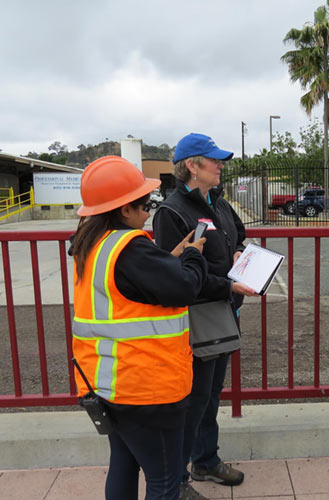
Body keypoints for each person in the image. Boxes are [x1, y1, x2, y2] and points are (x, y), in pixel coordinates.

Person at [71, 156, 208, 500]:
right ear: (123, 210)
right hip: (148, 387)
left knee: (124, 462)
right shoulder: (131, 247)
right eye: (143, 204)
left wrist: (169, 258)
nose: (148, 212)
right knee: (163, 480)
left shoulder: (93, 245)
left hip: (108, 383)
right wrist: (192, 255)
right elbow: (185, 287)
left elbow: (133, 291)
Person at [153, 133, 257, 500]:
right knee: (193, 399)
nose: (221, 165)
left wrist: (241, 258)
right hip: (197, 319)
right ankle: (177, 479)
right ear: (193, 166)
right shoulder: (172, 211)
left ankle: (206, 460)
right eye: (214, 160)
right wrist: (228, 286)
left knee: (210, 395)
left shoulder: (219, 203)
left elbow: (239, 237)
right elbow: (175, 275)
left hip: (224, 314)